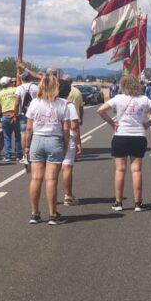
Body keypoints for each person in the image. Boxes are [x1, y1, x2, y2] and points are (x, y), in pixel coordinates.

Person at [97, 74, 151, 212]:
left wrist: (111, 123)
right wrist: (148, 123)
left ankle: (118, 202)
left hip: (120, 135)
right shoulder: (144, 99)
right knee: (136, 170)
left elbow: (100, 110)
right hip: (138, 136)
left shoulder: (118, 98)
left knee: (120, 170)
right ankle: (138, 203)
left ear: (123, 85)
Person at [22, 73, 80, 225]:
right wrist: (66, 145)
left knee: (36, 178)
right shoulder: (63, 104)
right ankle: (53, 214)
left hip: (37, 140)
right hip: (54, 140)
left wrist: (26, 147)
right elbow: (66, 129)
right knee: (51, 179)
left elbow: (28, 128)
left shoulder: (34, 103)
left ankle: (34, 214)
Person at [60, 76, 85, 206]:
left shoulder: (47, 103)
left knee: (51, 170)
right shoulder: (68, 105)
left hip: (51, 137)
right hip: (68, 137)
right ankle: (68, 196)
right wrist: (79, 143)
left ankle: (51, 196)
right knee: (67, 167)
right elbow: (74, 127)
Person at [15, 70, 38, 164]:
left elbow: (17, 102)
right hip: (35, 113)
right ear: (30, 78)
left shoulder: (19, 88)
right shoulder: (35, 87)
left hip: (23, 114)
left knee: (23, 134)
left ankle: (25, 155)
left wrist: (15, 113)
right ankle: (34, 154)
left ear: (22, 78)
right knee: (35, 133)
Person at [0, 76, 20, 161]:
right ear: (9, 82)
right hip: (15, 115)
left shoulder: (0, 93)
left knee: (6, 137)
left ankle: (8, 155)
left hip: (5, 116)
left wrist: (2, 111)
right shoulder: (15, 90)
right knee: (18, 136)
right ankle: (19, 155)